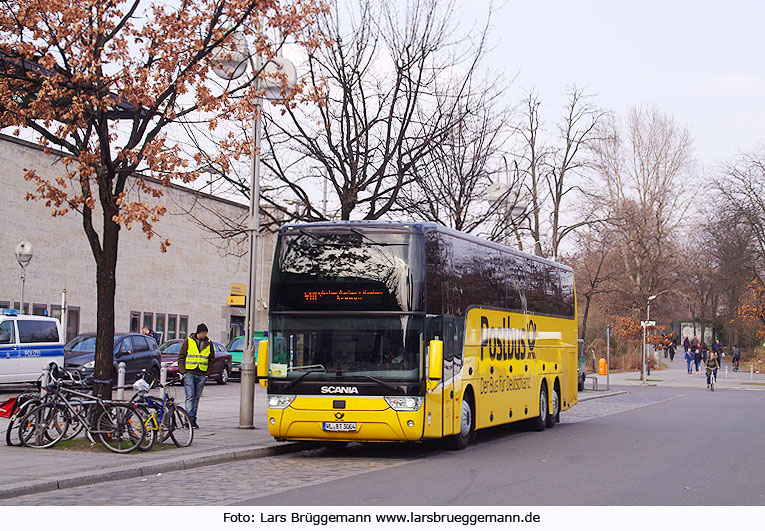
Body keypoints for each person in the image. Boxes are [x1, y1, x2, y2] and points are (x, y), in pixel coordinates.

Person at [178, 323, 215, 429]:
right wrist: (183, 371)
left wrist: (208, 373)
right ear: (198, 333)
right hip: (190, 373)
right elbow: (181, 356)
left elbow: (211, 359)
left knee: (196, 398)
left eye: (206, 333)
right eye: (203, 333)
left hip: (202, 374)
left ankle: (193, 419)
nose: (205, 335)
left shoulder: (209, 343)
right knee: (190, 397)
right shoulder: (188, 341)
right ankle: (189, 420)